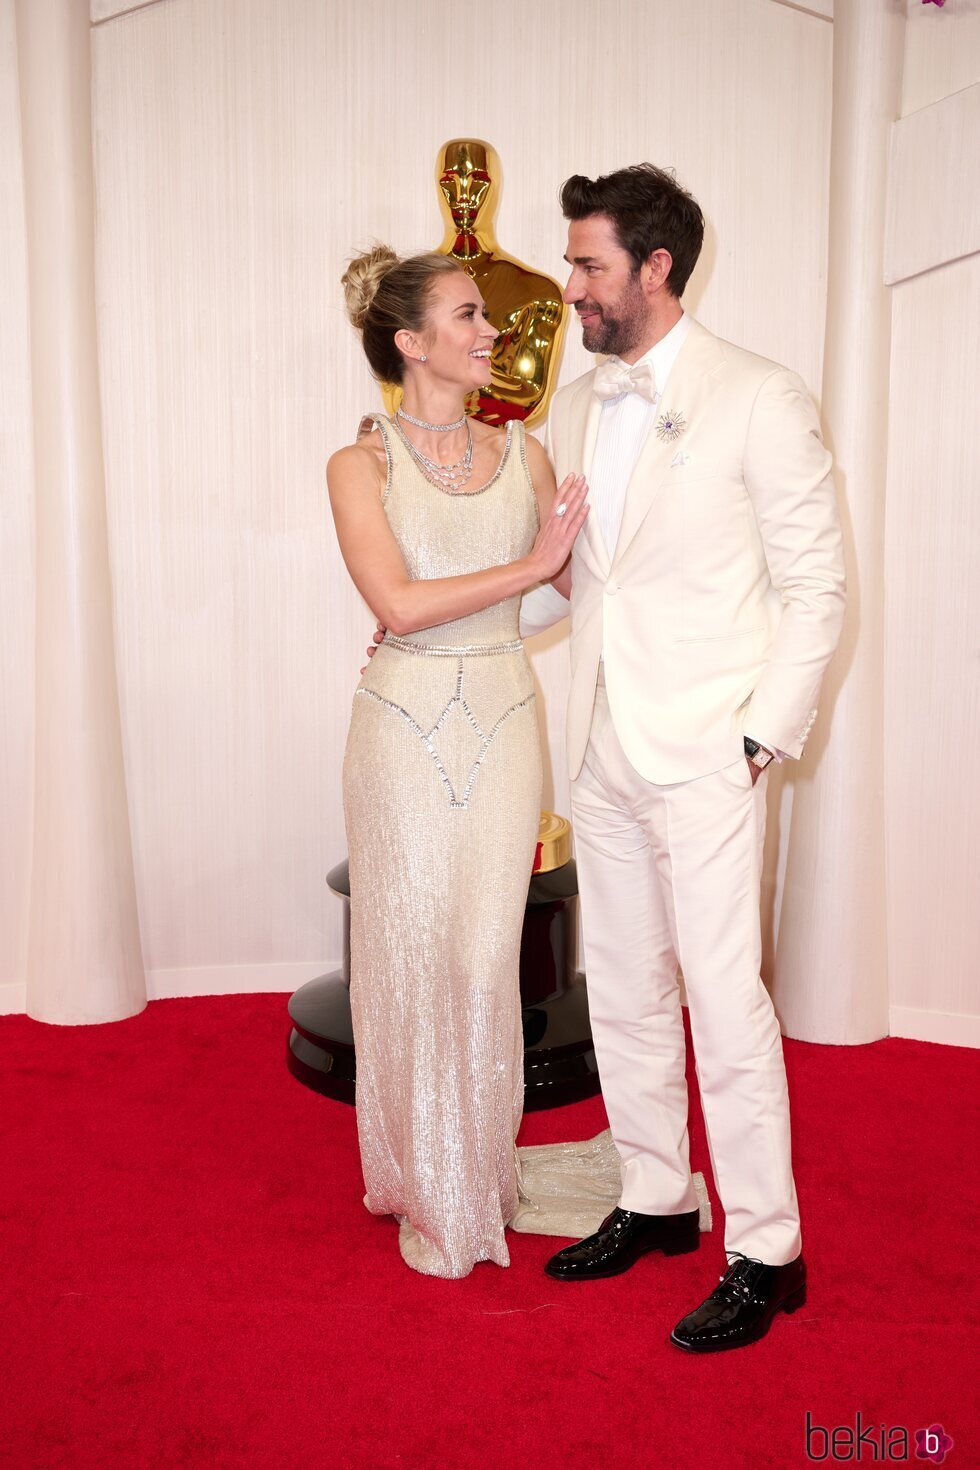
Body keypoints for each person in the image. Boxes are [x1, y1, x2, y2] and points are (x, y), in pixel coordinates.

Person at [518, 164, 846, 1351]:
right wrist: (458, 617)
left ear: (654, 268)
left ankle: (768, 1248)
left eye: (587, 264)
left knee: (723, 997)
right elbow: (575, 580)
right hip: (599, 740)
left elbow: (816, 591)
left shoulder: (758, 394)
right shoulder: (580, 401)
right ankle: (654, 1196)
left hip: (708, 748)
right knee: (625, 983)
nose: (570, 287)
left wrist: (757, 738)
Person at [327, 245, 589, 1278]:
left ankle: (471, 1169)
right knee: (409, 955)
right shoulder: (361, 463)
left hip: (501, 719)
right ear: (410, 341)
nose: (492, 332)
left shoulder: (524, 453)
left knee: (483, 961)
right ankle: (422, 1181)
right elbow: (394, 605)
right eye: (469, 315)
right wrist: (529, 565)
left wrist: (579, 563)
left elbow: (566, 594)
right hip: (399, 733)